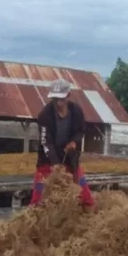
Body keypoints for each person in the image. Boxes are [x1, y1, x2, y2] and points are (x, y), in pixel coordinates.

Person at [29, 79, 95, 209]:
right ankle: (33, 214)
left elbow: (81, 130)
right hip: (48, 160)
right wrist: (56, 166)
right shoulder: (45, 115)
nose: (58, 103)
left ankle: (88, 211)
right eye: (55, 99)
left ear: (68, 96)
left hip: (69, 157)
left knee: (82, 187)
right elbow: (45, 142)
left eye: (61, 99)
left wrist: (74, 142)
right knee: (39, 190)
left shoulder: (76, 111)